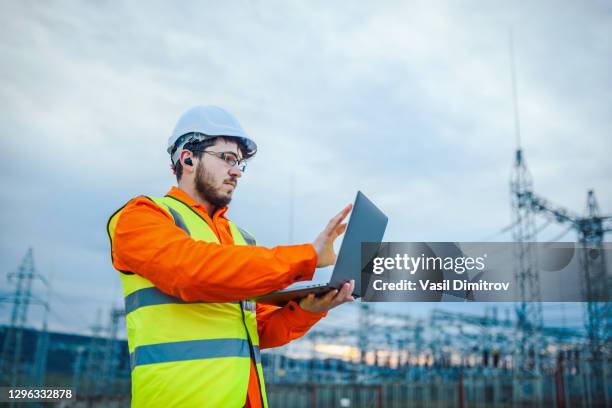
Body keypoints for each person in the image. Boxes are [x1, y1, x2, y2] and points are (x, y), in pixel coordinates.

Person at [107, 105, 355, 407]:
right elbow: (192, 271)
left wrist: (309, 310)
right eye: (227, 158)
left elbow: (257, 329)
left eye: (239, 163)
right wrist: (308, 256)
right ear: (187, 157)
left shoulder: (241, 239)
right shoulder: (142, 217)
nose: (237, 171)